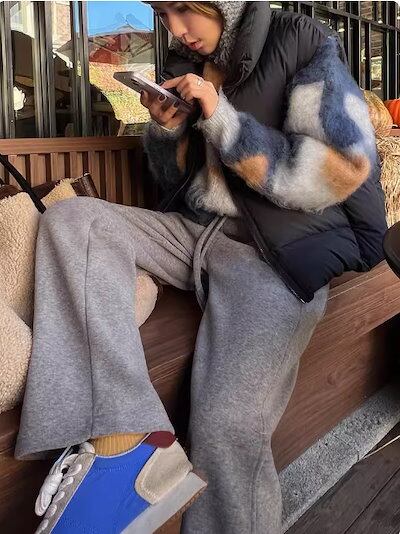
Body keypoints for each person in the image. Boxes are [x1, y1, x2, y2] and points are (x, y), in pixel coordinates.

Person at [15, 2, 387, 533]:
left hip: (273, 255)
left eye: (183, 9)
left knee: (226, 427)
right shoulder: (182, 63)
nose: (175, 29)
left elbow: (340, 169)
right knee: (75, 221)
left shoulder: (300, 41)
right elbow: (179, 184)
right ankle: (125, 439)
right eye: (162, 13)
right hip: (194, 234)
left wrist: (222, 118)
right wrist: (168, 131)